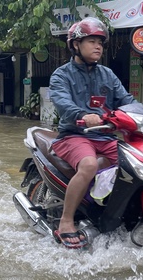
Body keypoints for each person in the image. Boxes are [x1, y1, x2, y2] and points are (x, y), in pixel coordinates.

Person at [50, 17, 137, 248]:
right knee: (89, 165)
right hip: (74, 135)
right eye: (91, 41)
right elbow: (62, 103)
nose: (98, 46)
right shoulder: (61, 75)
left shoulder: (107, 74)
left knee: (139, 163)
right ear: (76, 45)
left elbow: (127, 101)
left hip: (106, 136)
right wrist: (82, 114)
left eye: (100, 42)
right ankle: (66, 221)